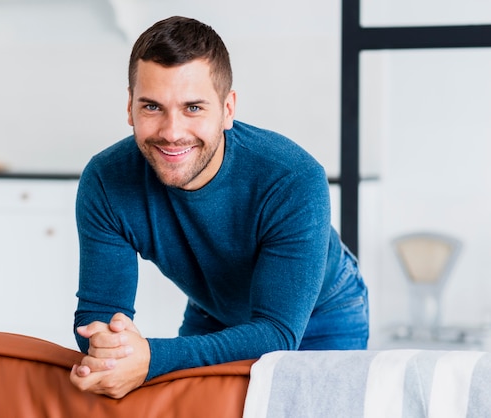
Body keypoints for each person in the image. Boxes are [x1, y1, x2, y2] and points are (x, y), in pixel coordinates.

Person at [70, 15, 369, 399]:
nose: (172, 132)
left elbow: (276, 332)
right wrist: (110, 351)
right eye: (152, 107)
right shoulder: (106, 181)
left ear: (228, 109)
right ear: (130, 107)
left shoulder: (294, 178)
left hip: (321, 314)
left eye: (193, 108)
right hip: (215, 310)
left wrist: (151, 357)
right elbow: (98, 314)